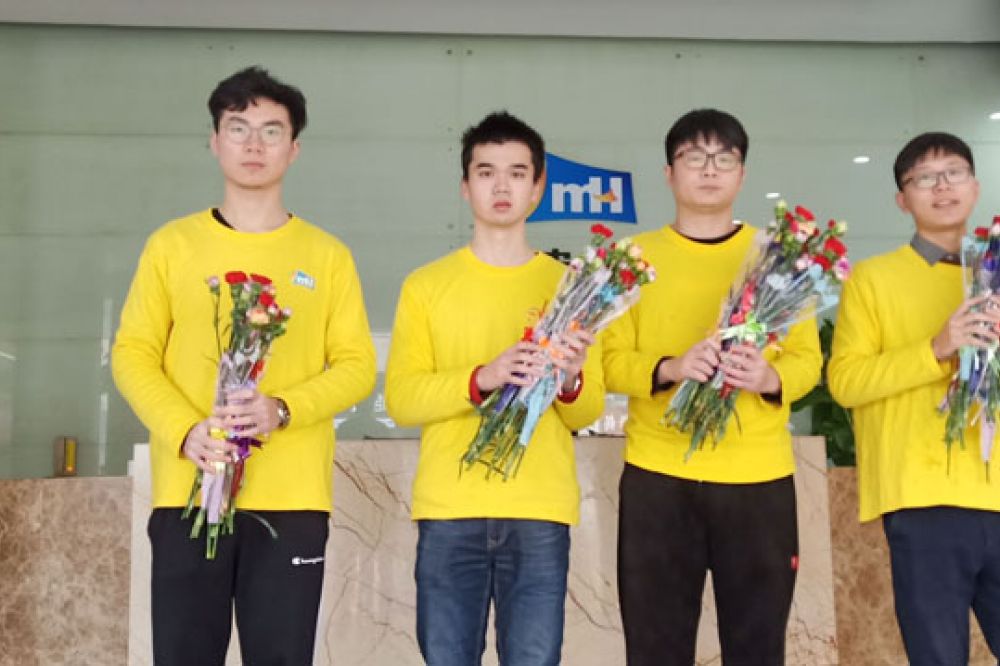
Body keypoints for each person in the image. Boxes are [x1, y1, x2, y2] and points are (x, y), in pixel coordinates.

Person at [112, 66, 376, 664]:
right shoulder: (172, 246)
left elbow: (357, 365)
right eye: (238, 128)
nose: (254, 144)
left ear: (294, 148)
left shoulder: (327, 256)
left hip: (292, 501)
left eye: (271, 130)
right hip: (187, 495)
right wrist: (185, 430)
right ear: (215, 140)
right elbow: (132, 353)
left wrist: (282, 408)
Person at [385, 111, 604, 665]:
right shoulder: (425, 286)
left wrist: (570, 376)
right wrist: (483, 377)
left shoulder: (572, 287)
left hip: (539, 511)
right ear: (466, 187)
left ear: (538, 188)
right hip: (450, 508)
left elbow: (587, 412)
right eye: (486, 172)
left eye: (516, 173)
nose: (501, 186)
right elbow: (402, 400)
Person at [602, 108, 821, 665]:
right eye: (694, 157)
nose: (709, 169)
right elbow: (608, 362)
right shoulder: (632, 259)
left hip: (758, 478)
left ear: (742, 175)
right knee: (655, 647)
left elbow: (807, 362)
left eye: (724, 158)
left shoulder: (780, 259)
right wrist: (671, 367)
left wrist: (769, 377)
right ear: (668, 172)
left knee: (757, 648)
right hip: (659, 477)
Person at [828, 132, 1000, 664]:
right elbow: (846, 381)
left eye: (954, 173)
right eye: (925, 178)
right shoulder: (872, 280)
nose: (942, 186)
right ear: (902, 200)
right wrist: (936, 347)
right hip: (923, 499)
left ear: (975, 186)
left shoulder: (993, 274)